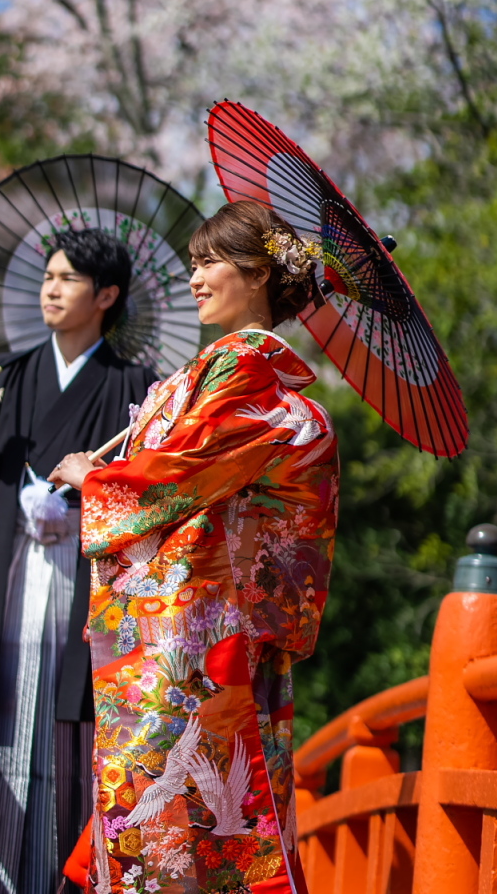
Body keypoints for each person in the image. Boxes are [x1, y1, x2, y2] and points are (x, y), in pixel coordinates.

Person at [50, 202, 339, 893]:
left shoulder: (249, 369)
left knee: (194, 826)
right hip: (212, 632)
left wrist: (97, 478)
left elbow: (182, 475)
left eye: (210, 262)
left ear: (259, 273)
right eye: (193, 264)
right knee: (203, 823)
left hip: (206, 642)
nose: (196, 278)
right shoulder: (231, 369)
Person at [0, 228, 158, 894]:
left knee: (70, 749)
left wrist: (86, 502)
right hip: (6, 584)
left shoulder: (141, 390)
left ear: (106, 295)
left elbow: (153, 495)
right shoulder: (2, 379)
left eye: (68, 278)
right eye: (48, 275)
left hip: (81, 594)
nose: (51, 288)